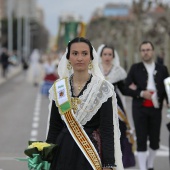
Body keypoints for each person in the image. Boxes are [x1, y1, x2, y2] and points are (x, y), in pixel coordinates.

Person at [46, 37, 124, 170]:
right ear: (68, 58)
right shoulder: (59, 88)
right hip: (62, 152)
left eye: (84, 53)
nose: (80, 58)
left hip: (89, 154)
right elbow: (54, 127)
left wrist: (108, 164)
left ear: (91, 58)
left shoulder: (103, 89)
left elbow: (107, 130)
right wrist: (45, 158)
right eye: (75, 53)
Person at [125, 40, 169, 170]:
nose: (146, 52)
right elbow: (126, 87)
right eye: (143, 50)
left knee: (155, 141)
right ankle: (143, 168)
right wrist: (141, 93)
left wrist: (168, 100)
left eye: (148, 50)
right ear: (140, 53)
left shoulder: (163, 69)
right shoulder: (135, 68)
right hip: (139, 108)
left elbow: (167, 88)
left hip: (156, 108)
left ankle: (150, 164)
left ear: (153, 51)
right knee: (141, 140)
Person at [97, 44, 135, 168]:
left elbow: (124, 90)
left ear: (113, 56)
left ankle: (118, 162)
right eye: (105, 54)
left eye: (110, 55)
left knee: (120, 133)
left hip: (115, 106)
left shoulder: (118, 71)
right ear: (100, 56)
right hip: (98, 105)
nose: (107, 57)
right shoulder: (94, 70)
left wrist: (139, 92)